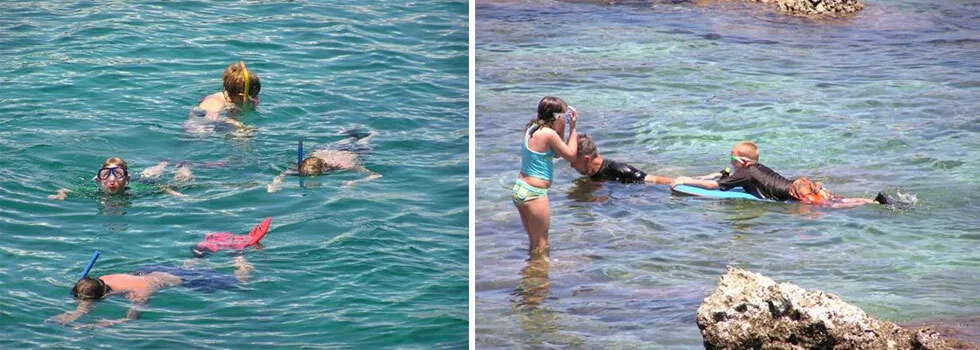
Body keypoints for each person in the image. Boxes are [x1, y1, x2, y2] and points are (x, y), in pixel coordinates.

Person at [48, 256, 252, 328]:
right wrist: (73, 315)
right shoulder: (104, 279)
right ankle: (193, 262)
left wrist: (106, 323)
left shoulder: (139, 293)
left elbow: (131, 319)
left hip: (175, 279)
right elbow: (88, 299)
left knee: (237, 283)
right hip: (148, 269)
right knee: (189, 267)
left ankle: (243, 265)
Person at [671, 141, 891, 207]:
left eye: (732, 160)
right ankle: (873, 201)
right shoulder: (755, 168)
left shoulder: (745, 173)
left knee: (833, 207)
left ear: (743, 162)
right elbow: (724, 175)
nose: (729, 164)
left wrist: (685, 180)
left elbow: (716, 186)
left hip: (796, 194)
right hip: (802, 184)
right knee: (836, 199)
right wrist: (708, 175)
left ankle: (872, 204)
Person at [512, 96, 579, 257]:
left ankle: (531, 274)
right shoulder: (549, 134)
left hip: (521, 189)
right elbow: (571, 155)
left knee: (534, 242)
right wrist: (574, 128)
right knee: (542, 243)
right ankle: (541, 279)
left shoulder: (531, 129)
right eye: (562, 116)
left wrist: (562, 127)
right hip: (535, 193)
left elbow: (556, 153)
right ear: (556, 116)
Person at [267, 128, 381, 192]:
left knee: (363, 142)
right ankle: (350, 134)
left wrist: (354, 182)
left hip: (353, 152)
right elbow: (283, 174)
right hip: (330, 149)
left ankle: (372, 134)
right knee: (350, 138)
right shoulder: (300, 166)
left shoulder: (341, 165)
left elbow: (375, 175)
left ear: (323, 169)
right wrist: (275, 183)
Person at [48, 157, 189, 200]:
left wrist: (173, 192)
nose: (111, 179)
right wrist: (60, 194)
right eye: (106, 175)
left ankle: (179, 165)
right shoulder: (93, 189)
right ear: (99, 180)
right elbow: (67, 190)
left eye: (118, 174)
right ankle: (163, 163)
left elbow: (161, 187)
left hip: (143, 181)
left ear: (126, 180)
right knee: (149, 173)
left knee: (181, 179)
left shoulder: (137, 188)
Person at [569, 134, 672, 184]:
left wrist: (674, 182)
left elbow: (653, 179)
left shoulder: (619, 170)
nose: (571, 166)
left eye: (573, 162)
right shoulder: (591, 172)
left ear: (586, 159)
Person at [193, 61, 261, 130]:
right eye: (253, 96)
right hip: (197, 130)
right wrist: (234, 123)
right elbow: (209, 119)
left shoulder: (236, 101)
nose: (255, 99)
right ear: (241, 95)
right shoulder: (214, 102)